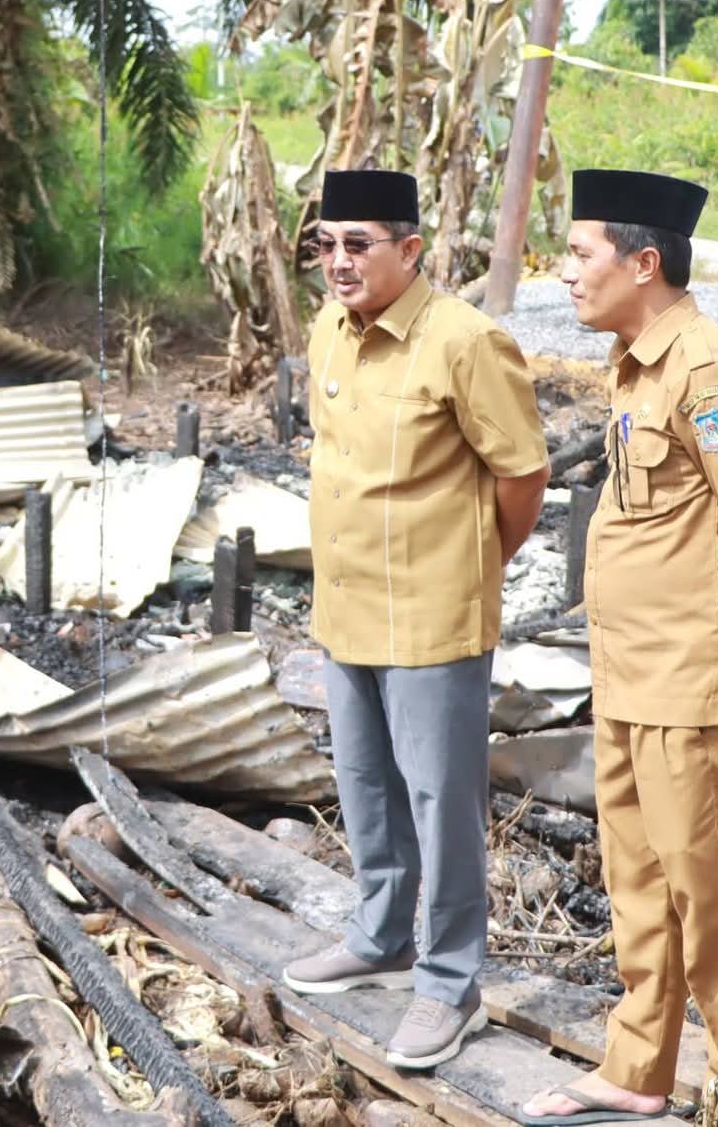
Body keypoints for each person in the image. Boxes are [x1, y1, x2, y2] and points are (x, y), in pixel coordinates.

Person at [518, 168, 718, 1127]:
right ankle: (638, 1070)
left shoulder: (711, 371)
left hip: (697, 687)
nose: (564, 272)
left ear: (643, 263)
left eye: (579, 254)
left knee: (717, 907)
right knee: (639, 887)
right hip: (631, 677)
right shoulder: (636, 361)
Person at [282, 167, 552, 1072]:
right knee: (365, 785)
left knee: (443, 804)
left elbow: (522, 478)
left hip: (433, 611)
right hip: (345, 600)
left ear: (410, 247)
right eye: (325, 243)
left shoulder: (466, 342)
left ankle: (448, 984)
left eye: (358, 243)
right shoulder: (327, 328)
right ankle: (379, 934)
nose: (338, 262)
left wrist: (470, 564)